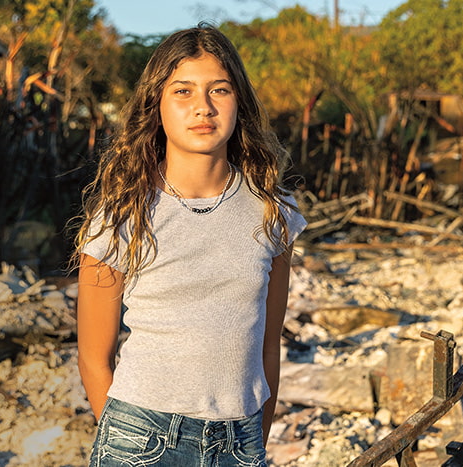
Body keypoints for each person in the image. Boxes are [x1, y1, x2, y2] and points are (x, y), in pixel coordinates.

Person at [73, 23, 307, 466]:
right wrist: (126, 443)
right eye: (182, 91)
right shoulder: (123, 213)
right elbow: (93, 357)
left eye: (218, 90)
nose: (202, 107)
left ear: (239, 101)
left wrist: (254, 437)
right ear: (156, 104)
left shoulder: (272, 211)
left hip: (242, 437)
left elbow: (268, 346)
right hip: (142, 437)